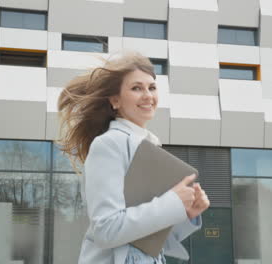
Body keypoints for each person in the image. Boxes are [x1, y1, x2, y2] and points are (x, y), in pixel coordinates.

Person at [56, 52, 210, 264]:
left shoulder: (151, 146)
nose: (148, 95)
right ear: (115, 100)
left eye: (152, 87)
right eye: (136, 88)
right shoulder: (108, 144)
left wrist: (186, 213)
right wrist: (172, 203)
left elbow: (151, 240)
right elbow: (106, 229)